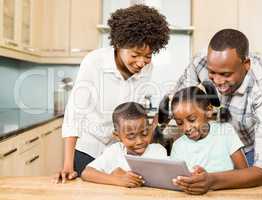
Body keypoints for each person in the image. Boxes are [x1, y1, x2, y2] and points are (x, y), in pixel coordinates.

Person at [54, 4, 170, 183]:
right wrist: (68, 164)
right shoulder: (95, 62)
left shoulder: (147, 69)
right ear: (118, 44)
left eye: (148, 56)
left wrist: (151, 125)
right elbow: (74, 113)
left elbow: (133, 110)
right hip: (89, 148)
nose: (141, 62)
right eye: (135, 54)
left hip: (120, 150)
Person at [169, 29, 262, 194]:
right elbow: (178, 100)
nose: (218, 81)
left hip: (248, 153)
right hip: (210, 148)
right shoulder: (201, 62)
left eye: (226, 74)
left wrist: (213, 180)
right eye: (212, 73)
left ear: (246, 65)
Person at [158, 81, 248, 175]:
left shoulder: (226, 132)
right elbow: (176, 178)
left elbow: (244, 173)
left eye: (192, 120)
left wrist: (210, 180)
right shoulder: (178, 146)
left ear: (209, 110)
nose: (187, 128)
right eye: (179, 123)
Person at [81, 102, 167, 187]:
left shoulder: (158, 151)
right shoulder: (115, 151)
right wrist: (118, 180)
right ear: (117, 136)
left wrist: (119, 173)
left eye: (144, 133)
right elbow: (87, 173)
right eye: (131, 136)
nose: (139, 141)